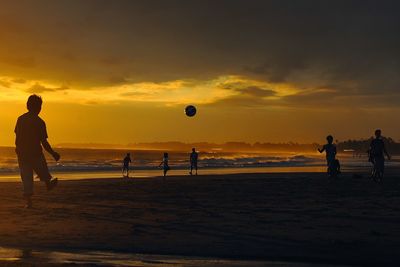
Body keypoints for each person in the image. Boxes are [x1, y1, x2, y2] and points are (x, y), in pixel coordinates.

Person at [15, 95, 60, 208]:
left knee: (26, 177)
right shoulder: (40, 122)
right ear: (38, 108)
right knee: (42, 170)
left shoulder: (21, 119)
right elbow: (44, 142)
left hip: (23, 153)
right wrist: (53, 153)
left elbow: (17, 137)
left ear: (27, 106)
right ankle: (48, 183)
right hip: (35, 153)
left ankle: (29, 202)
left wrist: (18, 148)